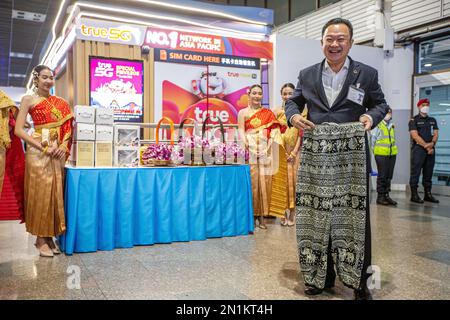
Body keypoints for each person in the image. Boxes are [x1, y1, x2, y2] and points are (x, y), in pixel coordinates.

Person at [285, 18, 389, 300]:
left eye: (341, 39)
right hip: (316, 157)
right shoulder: (307, 74)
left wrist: (370, 117)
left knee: (355, 219)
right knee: (317, 216)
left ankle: (359, 283)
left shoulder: (366, 74)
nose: (335, 44)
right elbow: (293, 102)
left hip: (351, 157)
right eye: (329, 39)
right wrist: (294, 116)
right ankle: (321, 277)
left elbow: (381, 104)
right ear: (321, 42)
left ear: (351, 43)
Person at [14, 65, 74, 257]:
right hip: (39, 149)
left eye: (51, 78)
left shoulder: (61, 102)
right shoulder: (28, 100)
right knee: (40, 193)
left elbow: (68, 126)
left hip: (57, 151)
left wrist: (63, 147)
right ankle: (40, 238)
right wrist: (43, 146)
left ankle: (49, 236)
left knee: (55, 192)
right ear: (36, 78)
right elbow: (19, 130)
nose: (48, 81)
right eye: (45, 77)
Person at [238, 84, 283, 229]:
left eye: (259, 93)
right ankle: (251, 216)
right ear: (249, 95)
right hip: (249, 153)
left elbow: (275, 133)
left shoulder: (268, 113)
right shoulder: (242, 113)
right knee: (252, 184)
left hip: (265, 152)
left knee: (265, 184)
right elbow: (241, 131)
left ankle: (263, 217)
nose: (257, 96)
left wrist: (267, 148)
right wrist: (249, 147)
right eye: (254, 93)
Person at [269, 83, 304, 226]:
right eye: (285, 93)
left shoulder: (301, 112)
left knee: (294, 184)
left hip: (295, 152)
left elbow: (302, 133)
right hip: (280, 152)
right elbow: (273, 132)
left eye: (291, 93)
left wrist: (295, 152)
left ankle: (293, 213)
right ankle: (281, 213)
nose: (288, 96)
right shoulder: (276, 112)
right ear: (281, 94)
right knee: (280, 183)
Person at [0, 90, 25, 221]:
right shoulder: (7, 101)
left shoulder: (7, 101)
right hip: (8, 145)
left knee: (15, 175)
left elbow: (19, 123)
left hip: (10, 145)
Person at [409, 98, 439, 204]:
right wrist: (427, 146)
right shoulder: (414, 120)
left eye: (427, 105)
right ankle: (414, 195)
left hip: (431, 150)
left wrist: (433, 144)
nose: (425, 107)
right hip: (419, 150)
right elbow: (415, 136)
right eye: (423, 105)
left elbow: (436, 133)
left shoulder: (433, 120)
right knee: (415, 172)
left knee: (428, 173)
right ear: (419, 106)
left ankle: (428, 194)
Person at [371, 107, 398, 206]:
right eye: (387, 112)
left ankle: (387, 195)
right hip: (381, 154)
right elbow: (372, 141)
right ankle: (380, 197)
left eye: (390, 113)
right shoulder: (378, 125)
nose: (389, 114)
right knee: (382, 176)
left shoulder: (391, 125)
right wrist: (375, 152)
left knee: (388, 176)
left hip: (392, 154)